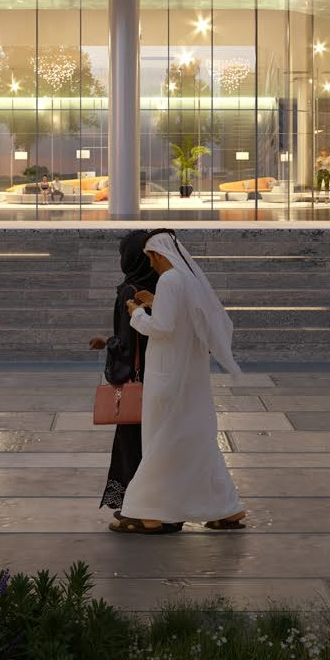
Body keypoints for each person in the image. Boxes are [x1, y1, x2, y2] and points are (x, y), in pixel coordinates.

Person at [112, 231, 245, 534]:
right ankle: (227, 508)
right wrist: (157, 302)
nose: (151, 265)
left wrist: (137, 313)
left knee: (162, 442)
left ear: (159, 255)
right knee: (198, 442)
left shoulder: (170, 280)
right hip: (190, 377)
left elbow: (161, 328)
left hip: (166, 376)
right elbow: (188, 318)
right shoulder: (187, 281)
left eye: (151, 258)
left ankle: (149, 512)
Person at [91, 228, 163, 512]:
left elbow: (128, 341)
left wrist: (109, 342)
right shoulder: (160, 285)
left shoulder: (130, 290)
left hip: (137, 383)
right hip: (159, 374)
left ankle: (134, 505)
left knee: (131, 445)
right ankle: (155, 501)